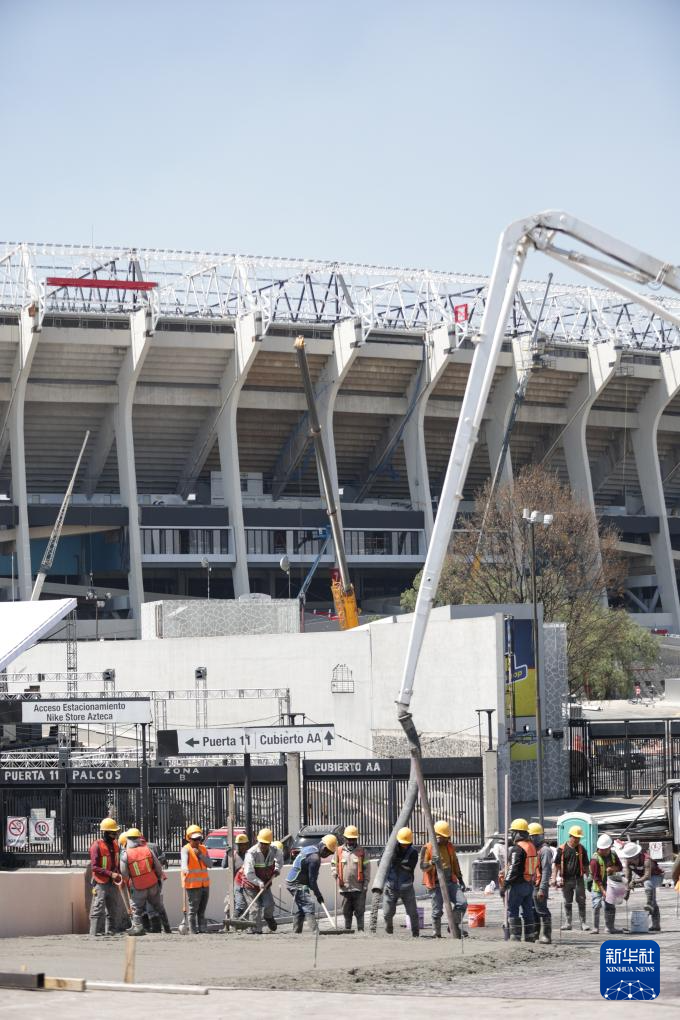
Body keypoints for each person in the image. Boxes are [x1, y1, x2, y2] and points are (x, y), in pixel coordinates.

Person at [419, 819, 467, 939]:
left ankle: (453, 925)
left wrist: (460, 879)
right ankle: (436, 933)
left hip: (450, 881)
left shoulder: (449, 846)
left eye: (447, 837)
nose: (446, 839)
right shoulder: (427, 848)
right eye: (444, 837)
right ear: (437, 835)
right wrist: (431, 863)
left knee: (462, 903)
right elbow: (422, 867)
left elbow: (455, 863)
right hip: (435, 884)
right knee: (437, 911)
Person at [120, 827, 171, 936]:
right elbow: (158, 867)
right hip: (152, 884)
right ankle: (167, 928)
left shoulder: (126, 855)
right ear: (139, 838)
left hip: (138, 886)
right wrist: (158, 879)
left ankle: (138, 928)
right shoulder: (147, 850)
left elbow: (124, 874)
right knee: (159, 906)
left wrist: (129, 883)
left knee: (137, 909)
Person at [286, 834, 337, 933]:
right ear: (324, 848)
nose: (328, 855)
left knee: (303, 907)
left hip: (294, 881)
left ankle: (296, 932)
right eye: (329, 852)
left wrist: (317, 892)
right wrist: (318, 895)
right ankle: (315, 931)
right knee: (309, 904)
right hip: (296, 883)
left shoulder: (310, 848)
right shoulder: (315, 858)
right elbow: (312, 881)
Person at [504, 818, 537, 942]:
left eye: (513, 832)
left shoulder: (517, 849)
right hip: (529, 884)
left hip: (518, 885)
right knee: (528, 911)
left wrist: (505, 884)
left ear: (517, 833)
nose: (511, 835)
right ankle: (530, 936)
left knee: (513, 910)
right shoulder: (531, 846)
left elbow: (514, 868)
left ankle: (515, 937)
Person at [242, 828, 280, 934]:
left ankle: (268, 917)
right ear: (258, 841)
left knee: (269, 904)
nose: (263, 846)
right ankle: (254, 929)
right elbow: (249, 873)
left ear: (269, 843)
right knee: (255, 908)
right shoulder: (251, 853)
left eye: (266, 844)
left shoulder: (274, 850)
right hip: (250, 884)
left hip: (265, 883)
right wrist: (259, 882)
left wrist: (277, 869)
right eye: (261, 843)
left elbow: (280, 859)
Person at [383, 827, 420, 937]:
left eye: (406, 844)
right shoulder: (390, 850)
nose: (404, 845)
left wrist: (397, 862)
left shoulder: (413, 852)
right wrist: (389, 857)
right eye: (402, 844)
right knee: (387, 913)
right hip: (391, 887)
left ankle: (416, 934)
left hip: (406, 887)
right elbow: (381, 864)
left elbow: (409, 867)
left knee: (412, 913)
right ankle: (389, 931)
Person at [89, 817, 122, 937]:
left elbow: (117, 863)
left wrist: (117, 874)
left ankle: (111, 932)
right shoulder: (96, 846)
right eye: (113, 833)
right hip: (100, 882)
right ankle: (94, 933)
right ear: (106, 832)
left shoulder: (116, 845)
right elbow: (94, 867)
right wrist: (110, 874)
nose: (115, 835)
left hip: (113, 882)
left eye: (116, 832)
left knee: (113, 909)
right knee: (98, 908)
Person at [332, 824, 370, 932]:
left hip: (359, 888)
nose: (351, 841)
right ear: (345, 838)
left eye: (353, 839)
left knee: (360, 911)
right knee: (346, 911)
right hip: (345, 888)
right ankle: (347, 930)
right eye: (349, 839)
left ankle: (361, 930)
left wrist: (366, 883)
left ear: (356, 839)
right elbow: (333, 864)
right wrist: (334, 872)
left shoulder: (362, 851)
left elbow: (367, 869)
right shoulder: (339, 851)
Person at [553, 825, 590, 931]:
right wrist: (554, 878)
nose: (577, 839)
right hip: (566, 880)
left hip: (579, 879)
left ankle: (583, 923)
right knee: (567, 902)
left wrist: (590, 878)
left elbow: (586, 865)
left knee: (581, 901)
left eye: (579, 838)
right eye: (575, 837)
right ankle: (568, 923)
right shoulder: (562, 849)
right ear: (570, 836)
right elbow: (556, 865)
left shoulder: (581, 849)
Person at [621, 841, 663, 932]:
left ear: (635, 856)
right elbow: (628, 877)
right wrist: (627, 891)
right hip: (646, 879)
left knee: (648, 883)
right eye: (627, 858)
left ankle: (649, 903)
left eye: (629, 858)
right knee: (653, 900)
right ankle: (656, 925)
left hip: (657, 876)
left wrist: (635, 881)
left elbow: (647, 876)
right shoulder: (628, 862)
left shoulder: (647, 860)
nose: (627, 859)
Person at [590, 833, 622, 935]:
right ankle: (595, 928)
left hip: (611, 885)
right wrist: (603, 891)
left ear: (609, 847)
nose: (603, 851)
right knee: (596, 905)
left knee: (610, 906)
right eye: (602, 849)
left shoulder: (613, 854)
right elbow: (596, 877)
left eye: (606, 849)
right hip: (598, 886)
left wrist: (612, 868)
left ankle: (610, 928)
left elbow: (620, 867)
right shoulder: (595, 859)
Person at [181, 824, 210, 934]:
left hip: (205, 885)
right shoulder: (186, 849)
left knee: (202, 910)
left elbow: (210, 864)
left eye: (199, 839)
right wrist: (185, 868)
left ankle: (202, 928)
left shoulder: (203, 849)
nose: (197, 841)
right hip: (193, 886)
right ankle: (193, 930)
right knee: (193, 910)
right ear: (189, 838)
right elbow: (184, 862)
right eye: (195, 839)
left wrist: (201, 855)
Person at [529, 822, 552, 944]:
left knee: (542, 910)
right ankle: (535, 935)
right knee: (533, 911)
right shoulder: (534, 850)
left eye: (531, 836)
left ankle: (547, 936)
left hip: (540, 885)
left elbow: (546, 871)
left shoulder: (545, 850)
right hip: (533, 884)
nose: (529, 839)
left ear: (537, 836)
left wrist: (542, 889)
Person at [222, 832, 250, 917]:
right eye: (239, 845)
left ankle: (241, 923)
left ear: (247, 845)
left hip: (246, 886)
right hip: (235, 886)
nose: (241, 847)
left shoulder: (250, 856)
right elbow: (224, 865)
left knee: (245, 908)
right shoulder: (233, 855)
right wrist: (227, 854)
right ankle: (229, 922)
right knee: (230, 907)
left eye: (243, 844)